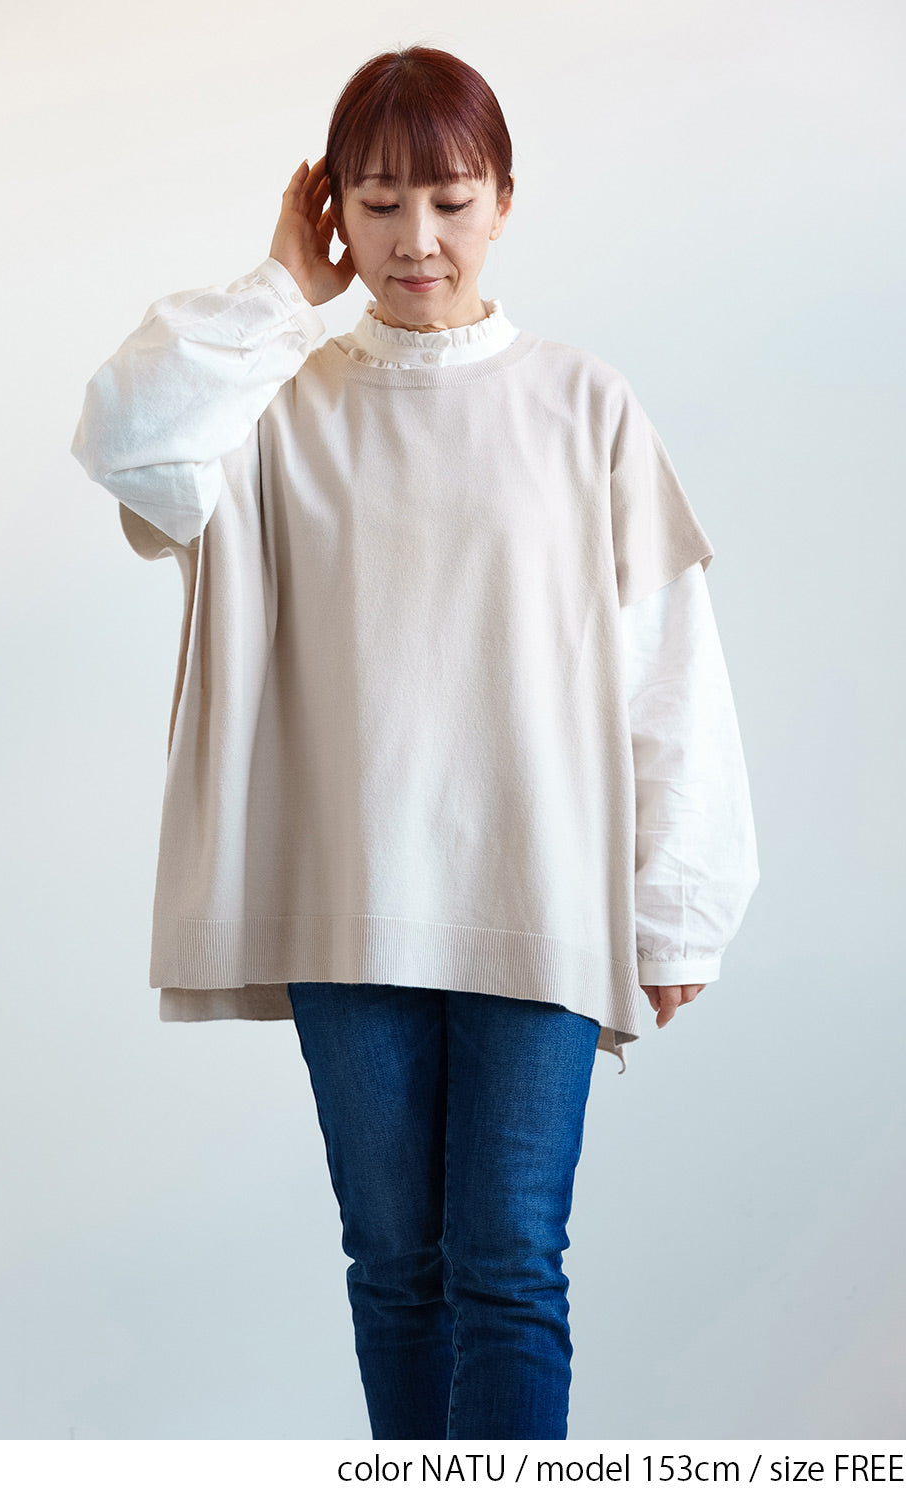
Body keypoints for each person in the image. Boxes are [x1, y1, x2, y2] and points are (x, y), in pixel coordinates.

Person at [70, 46, 759, 1440]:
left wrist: (677, 904)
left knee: (509, 1268)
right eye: (378, 204)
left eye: (448, 200)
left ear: (504, 199)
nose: (416, 240)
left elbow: (667, 663)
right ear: (330, 209)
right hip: (352, 900)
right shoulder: (271, 405)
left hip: (539, 889)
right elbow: (126, 437)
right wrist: (281, 290)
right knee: (394, 1270)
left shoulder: (583, 403)